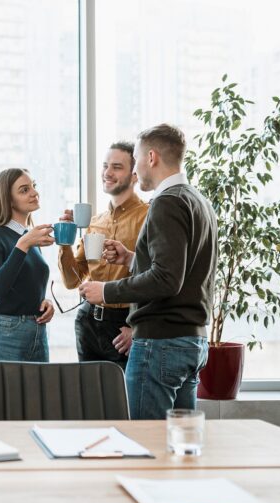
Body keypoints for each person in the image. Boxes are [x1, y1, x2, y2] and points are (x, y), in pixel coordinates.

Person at [78, 124, 217, 420]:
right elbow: (182, 270)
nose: (136, 169)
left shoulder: (166, 202)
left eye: (137, 159)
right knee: (177, 448)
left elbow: (166, 279)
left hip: (160, 345)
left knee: (146, 448)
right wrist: (131, 258)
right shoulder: (198, 201)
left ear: (151, 157)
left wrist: (105, 291)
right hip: (191, 342)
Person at [58, 142, 149, 370]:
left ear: (135, 174)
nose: (107, 173)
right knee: (90, 399)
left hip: (125, 325)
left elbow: (159, 277)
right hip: (88, 320)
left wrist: (138, 328)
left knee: (123, 401)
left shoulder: (149, 217)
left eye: (117, 167)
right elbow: (73, 280)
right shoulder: (95, 222)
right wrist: (65, 242)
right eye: (105, 166)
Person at [0, 168, 55, 410]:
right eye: (24, 189)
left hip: (36, 334)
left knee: (36, 414)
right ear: (8, 199)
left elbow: (26, 285)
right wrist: (23, 244)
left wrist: (45, 303)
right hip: (5, 334)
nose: (34, 192)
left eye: (33, 186)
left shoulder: (28, 238)